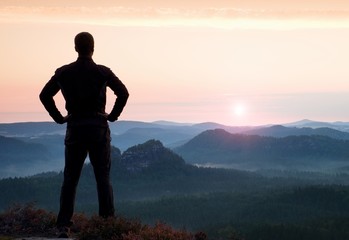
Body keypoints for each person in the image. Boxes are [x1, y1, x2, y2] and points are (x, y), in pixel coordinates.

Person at [39, 32, 129, 238]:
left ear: (75, 48)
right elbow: (123, 93)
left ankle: (63, 224)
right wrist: (112, 116)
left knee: (70, 178)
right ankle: (107, 223)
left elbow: (44, 95)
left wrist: (59, 118)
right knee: (103, 178)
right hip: (98, 128)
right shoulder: (102, 72)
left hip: (75, 129)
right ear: (93, 48)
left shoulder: (63, 72)